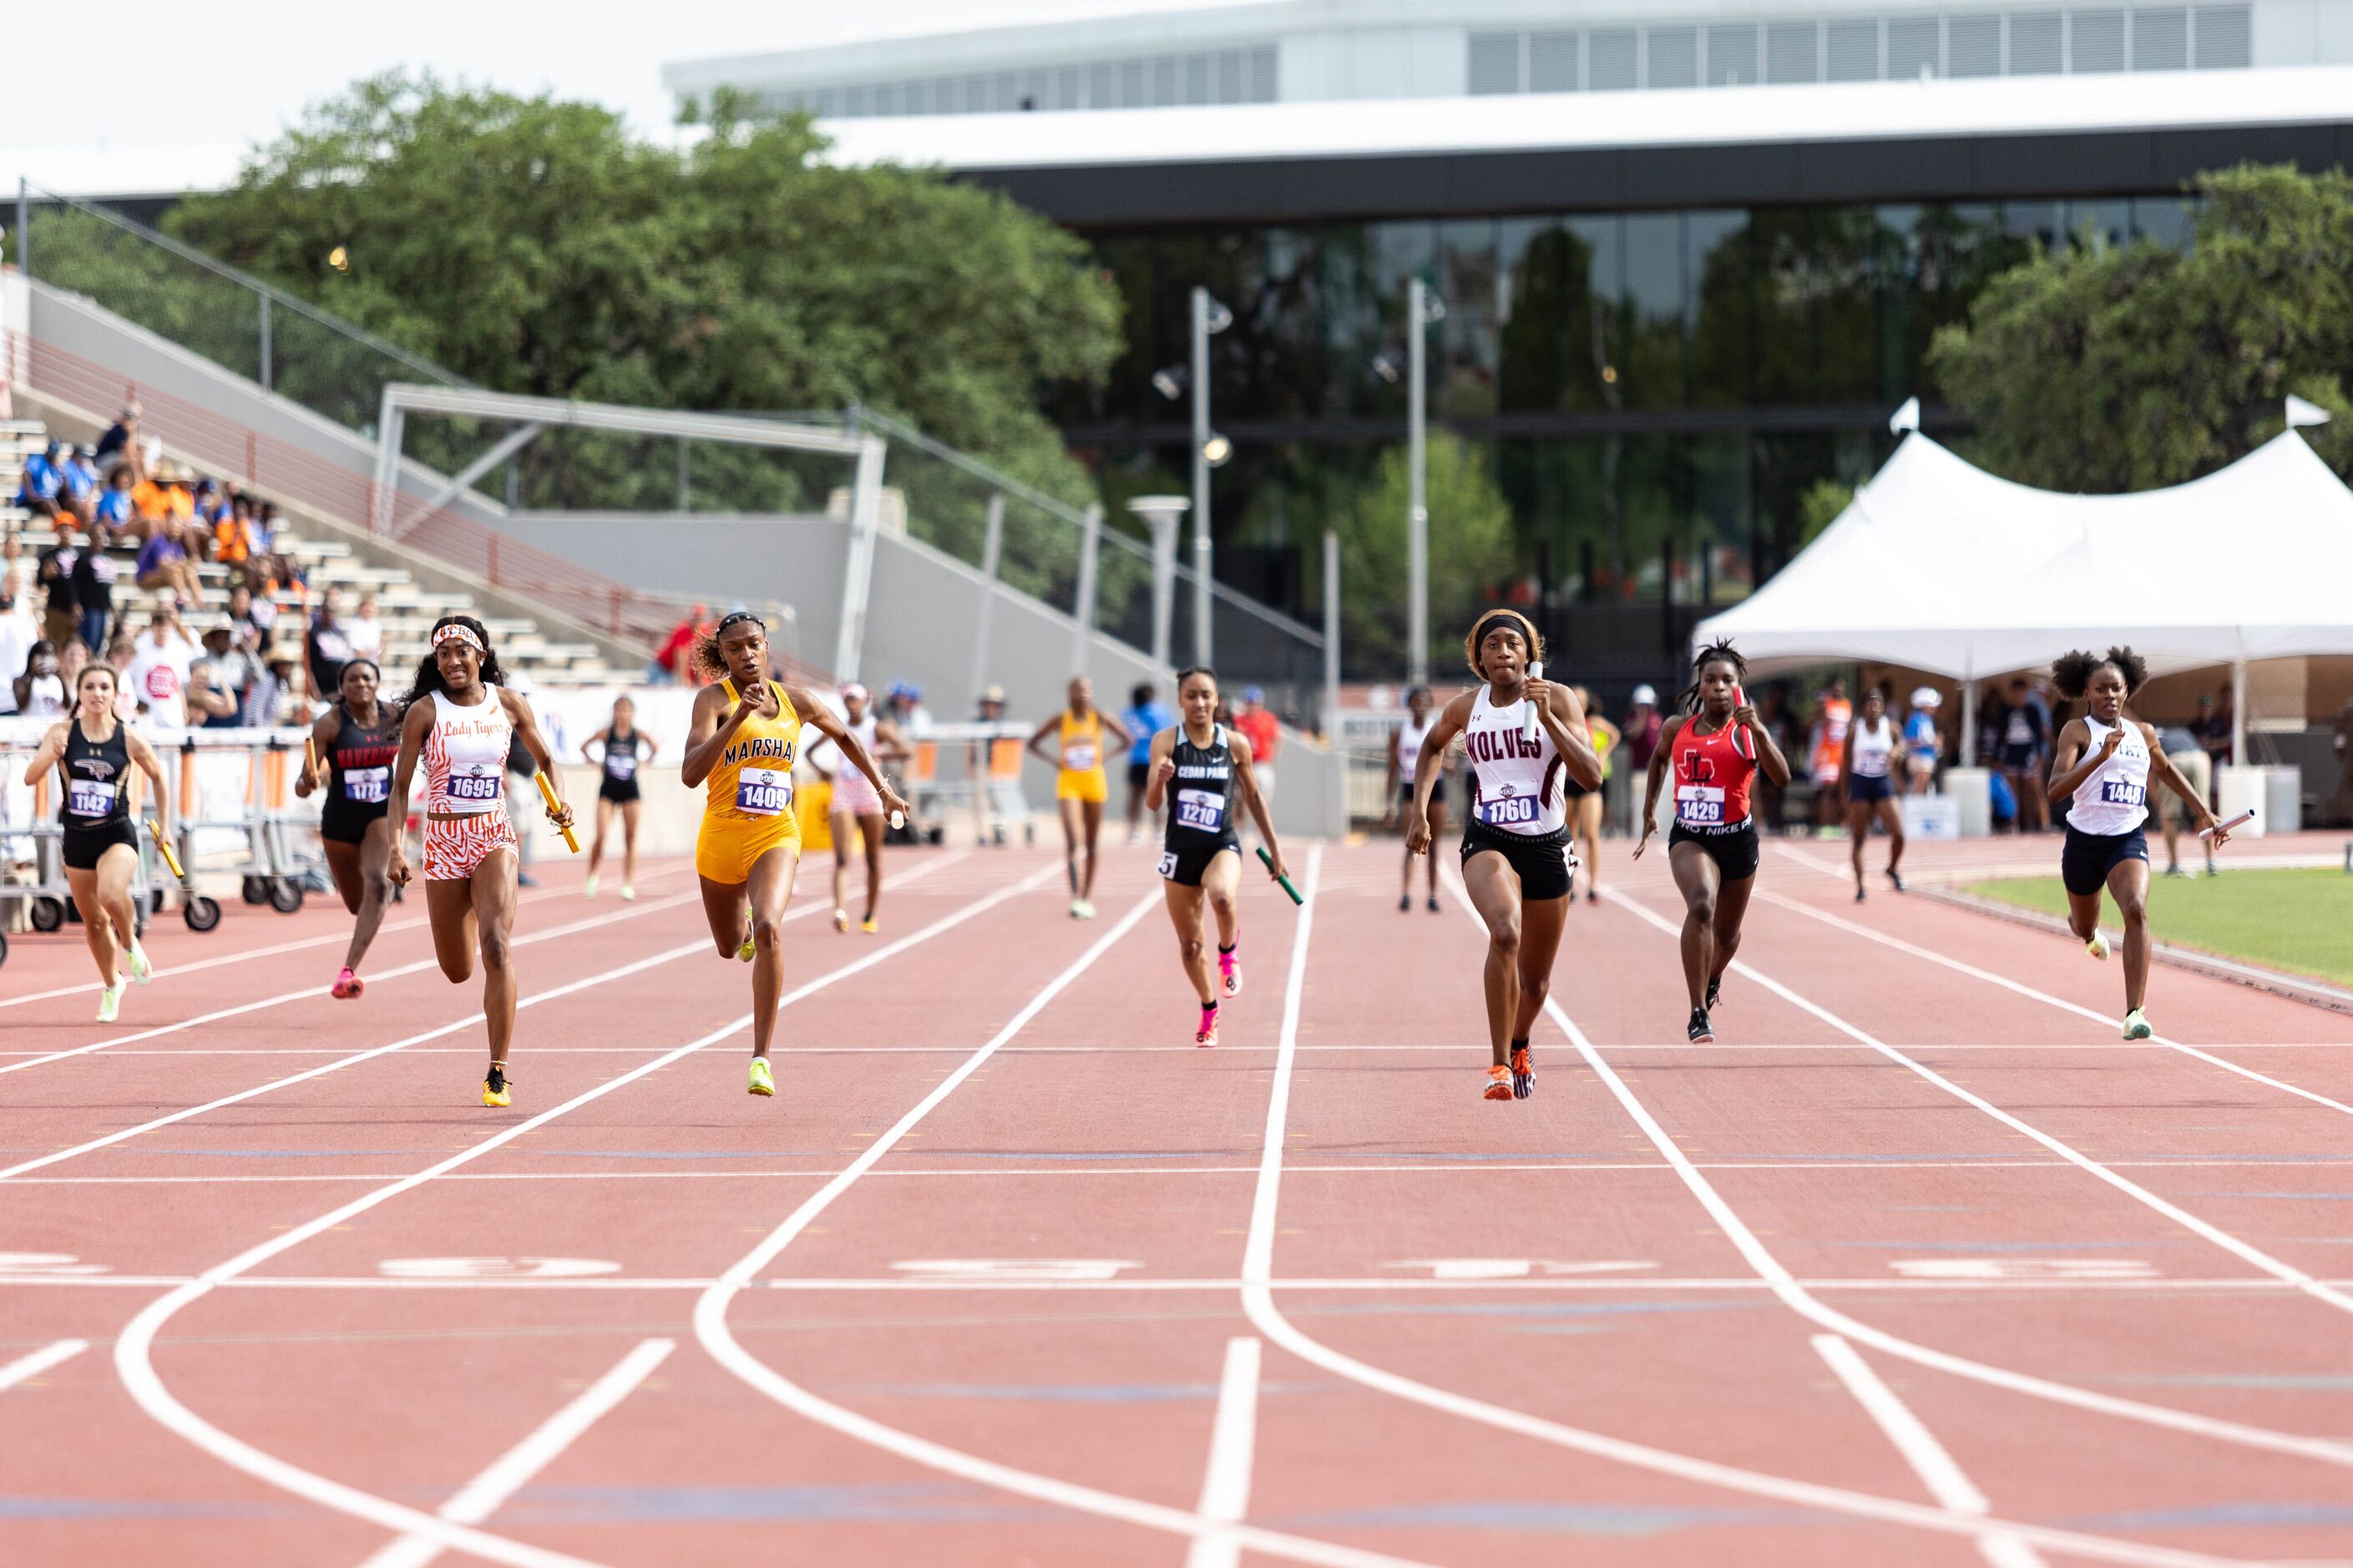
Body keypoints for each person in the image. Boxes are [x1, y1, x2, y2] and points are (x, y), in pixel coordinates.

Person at [681, 610, 907, 1097]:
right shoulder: (711, 702)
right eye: (736, 647)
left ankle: (761, 1057)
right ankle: (738, 932)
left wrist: (883, 789)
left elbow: (845, 736)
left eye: (755, 645)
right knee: (729, 945)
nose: (747, 654)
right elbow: (690, 772)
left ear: (767, 650)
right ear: (723, 655)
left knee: (768, 926)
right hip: (721, 836)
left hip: (774, 834)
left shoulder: (796, 701)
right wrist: (737, 717)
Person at [1403, 610, 1601, 1099]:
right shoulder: (1467, 707)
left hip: (1549, 845)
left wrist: (1550, 718)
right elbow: (1430, 749)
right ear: (1479, 657)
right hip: (1490, 838)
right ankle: (1497, 1067)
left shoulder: (1558, 698)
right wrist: (1419, 813)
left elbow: (1592, 776)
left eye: (1513, 643)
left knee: (1534, 985)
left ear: (1529, 653)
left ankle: (1520, 1041)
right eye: (1492, 645)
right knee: (1505, 931)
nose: (1502, 652)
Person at [383, 616, 574, 1108]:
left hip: (492, 833)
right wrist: (394, 848)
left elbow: (546, 760)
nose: (452, 661)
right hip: (443, 839)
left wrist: (560, 802)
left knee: (497, 945)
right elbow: (401, 785)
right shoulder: (425, 713)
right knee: (458, 969)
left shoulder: (507, 704)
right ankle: (466, 932)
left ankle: (498, 1069)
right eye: (443, 654)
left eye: (460, 652)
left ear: (481, 655)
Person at [2046, 646, 2231, 1040]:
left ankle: (2134, 1013)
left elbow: (2167, 771)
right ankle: (2090, 935)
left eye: (2116, 688)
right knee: (2083, 925)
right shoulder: (2077, 732)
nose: (2109, 695)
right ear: (2087, 693)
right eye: (2100, 689)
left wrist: (2206, 813)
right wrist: (2099, 758)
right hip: (2083, 841)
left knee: (2136, 910)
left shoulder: (2142, 733)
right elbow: (2054, 791)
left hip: (2126, 838)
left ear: (2127, 691)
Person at [1635, 640, 1790, 1044]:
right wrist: (1650, 809)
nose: (1719, 686)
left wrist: (1758, 730)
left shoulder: (1745, 732)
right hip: (1690, 836)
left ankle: (1713, 976)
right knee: (1701, 904)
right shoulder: (1676, 728)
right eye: (1711, 679)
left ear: (1738, 687)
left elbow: (1782, 777)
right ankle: (1697, 1012)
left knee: (1727, 937)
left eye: (1727, 680)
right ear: (1699, 687)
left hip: (1737, 838)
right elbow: (1659, 758)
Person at [1144, 665, 1288, 1047]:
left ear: (1217, 699)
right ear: (1180, 700)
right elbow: (1152, 803)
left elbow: (1254, 797)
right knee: (1190, 946)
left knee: (1222, 896)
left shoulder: (1235, 744)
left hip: (1221, 844)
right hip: (1179, 852)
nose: (1199, 702)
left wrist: (1275, 851)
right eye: (1191, 695)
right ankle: (1209, 1009)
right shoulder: (1165, 742)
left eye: (1206, 695)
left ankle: (1228, 953)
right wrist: (1161, 778)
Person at [19, 662, 170, 1020]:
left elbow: (159, 777)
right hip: (77, 836)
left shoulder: (128, 737)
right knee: (95, 922)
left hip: (117, 831)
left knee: (111, 894)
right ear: (80, 693)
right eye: (90, 687)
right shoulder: (62, 732)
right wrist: (51, 754)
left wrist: (165, 827)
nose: (98, 693)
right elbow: (30, 777)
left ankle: (131, 945)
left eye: (105, 687)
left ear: (115, 694)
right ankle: (112, 984)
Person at [296, 659, 402, 999]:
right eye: (352, 679)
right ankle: (357, 948)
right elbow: (302, 785)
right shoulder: (329, 724)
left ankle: (348, 971)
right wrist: (308, 780)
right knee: (359, 905)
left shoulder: (396, 717)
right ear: (343, 687)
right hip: (339, 822)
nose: (360, 683)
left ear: (377, 682)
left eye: (367, 677)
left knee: (379, 886)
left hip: (380, 814)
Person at [1029, 675, 1131, 919]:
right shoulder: (1061, 719)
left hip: (1094, 782)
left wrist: (1103, 757)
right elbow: (1033, 743)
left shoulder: (1101, 718)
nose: (1083, 694)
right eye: (1078, 690)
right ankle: (1075, 897)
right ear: (1070, 693)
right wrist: (1055, 761)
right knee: (1074, 840)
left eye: (1087, 690)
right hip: (1069, 783)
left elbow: (1128, 740)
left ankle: (1086, 896)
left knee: (1093, 844)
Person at [822, 682, 910, 933]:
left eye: (856, 698)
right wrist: (822, 771)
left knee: (872, 859)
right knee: (841, 857)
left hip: (872, 797)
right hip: (844, 796)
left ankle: (870, 914)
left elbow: (905, 750)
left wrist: (876, 756)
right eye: (848, 698)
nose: (852, 702)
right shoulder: (838, 726)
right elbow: (810, 750)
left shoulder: (875, 729)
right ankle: (839, 910)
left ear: (865, 701)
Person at [584, 695, 656, 902]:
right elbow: (584, 747)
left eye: (626, 709)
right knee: (601, 834)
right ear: (614, 712)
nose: (622, 713)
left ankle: (627, 883)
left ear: (632, 713)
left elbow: (655, 748)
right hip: (608, 789)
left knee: (631, 838)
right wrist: (596, 764)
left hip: (630, 790)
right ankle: (592, 875)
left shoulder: (637, 734)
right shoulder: (607, 734)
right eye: (619, 709)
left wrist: (643, 764)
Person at [1383, 684, 1446, 913]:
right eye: (1416, 700)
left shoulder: (1437, 729)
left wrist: (1447, 765)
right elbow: (1392, 768)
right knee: (1411, 842)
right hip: (1410, 788)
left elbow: (1448, 762)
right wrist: (1388, 803)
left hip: (1436, 790)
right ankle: (1407, 893)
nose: (1420, 704)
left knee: (1435, 844)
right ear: (1409, 704)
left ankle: (1432, 894)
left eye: (1425, 701)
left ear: (1430, 704)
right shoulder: (1400, 733)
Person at [1842, 685, 1907, 901]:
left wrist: (1898, 751)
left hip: (1882, 782)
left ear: (1883, 707)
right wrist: (1845, 797)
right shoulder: (1855, 730)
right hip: (1861, 782)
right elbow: (1845, 765)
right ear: (1863, 707)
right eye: (1870, 703)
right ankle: (1860, 886)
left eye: (1878, 703)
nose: (1874, 707)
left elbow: (1901, 744)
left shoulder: (1891, 728)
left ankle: (1892, 867)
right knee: (1859, 837)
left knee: (1899, 833)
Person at [1564, 685, 1619, 906]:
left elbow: (1615, 734)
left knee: (1591, 833)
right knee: (1569, 836)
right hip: (1568, 783)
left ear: (1587, 704)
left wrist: (1603, 754)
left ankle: (1594, 884)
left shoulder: (1594, 723)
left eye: (1582, 700)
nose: (1579, 703)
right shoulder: (1563, 722)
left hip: (1589, 785)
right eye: (1575, 699)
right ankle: (1572, 883)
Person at [2153, 716, 2216, 878]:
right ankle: (2211, 862)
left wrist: (2160, 805)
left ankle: (2174, 864)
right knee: (2203, 811)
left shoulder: (2150, 739)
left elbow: (2149, 776)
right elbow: (2205, 755)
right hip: (2200, 759)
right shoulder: (2183, 732)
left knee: (2169, 815)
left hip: (2173, 760)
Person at [124, 600, 200, 731]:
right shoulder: (140, 648)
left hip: (172, 715)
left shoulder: (180, 650)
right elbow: (130, 679)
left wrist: (185, 710)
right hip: (146, 716)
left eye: (165, 626)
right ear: (152, 627)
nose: (162, 630)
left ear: (171, 627)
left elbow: (179, 685)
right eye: (158, 626)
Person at [1121, 680, 1175, 843]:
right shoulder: (1138, 712)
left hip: (1153, 759)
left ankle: (1155, 830)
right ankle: (1136, 830)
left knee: (1153, 794)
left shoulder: (1152, 712)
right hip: (1139, 759)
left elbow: (1167, 734)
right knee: (1139, 795)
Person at [1996, 677, 2051, 834]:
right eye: (2016, 693)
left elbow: (2040, 736)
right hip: (2011, 752)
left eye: (2021, 693)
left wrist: (2040, 756)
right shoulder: (2006, 711)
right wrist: (1999, 757)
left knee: (2035, 790)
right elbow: (2001, 735)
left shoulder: (2032, 711)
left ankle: (2043, 824)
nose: (2018, 696)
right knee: (2013, 792)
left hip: (2029, 752)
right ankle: (2015, 824)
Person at [1806, 676, 1852, 832]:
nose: (1839, 689)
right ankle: (1825, 825)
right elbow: (1810, 722)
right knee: (1828, 789)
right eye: (1836, 686)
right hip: (1827, 752)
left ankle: (1837, 823)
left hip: (1842, 752)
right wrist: (1821, 717)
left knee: (1841, 789)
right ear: (1831, 688)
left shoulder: (1847, 704)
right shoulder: (1825, 704)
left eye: (1841, 686)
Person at [71, 523, 119, 658]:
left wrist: (111, 606)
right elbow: (74, 583)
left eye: (102, 535)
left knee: (99, 642)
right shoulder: (83, 559)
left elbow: (106, 588)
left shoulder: (107, 560)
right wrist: (75, 603)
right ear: (90, 537)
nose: (99, 539)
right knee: (88, 642)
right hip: (89, 607)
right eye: (96, 535)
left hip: (102, 608)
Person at [1233, 687, 1281, 812]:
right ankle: (1242, 830)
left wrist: (1272, 758)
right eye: (1249, 703)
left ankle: (1259, 828)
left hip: (1261, 763)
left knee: (1264, 798)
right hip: (1244, 763)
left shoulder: (1268, 718)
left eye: (1255, 703)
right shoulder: (1239, 720)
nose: (1252, 706)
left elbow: (1277, 739)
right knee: (1240, 798)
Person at [306, 590, 356, 701]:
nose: (330, 615)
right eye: (327, 611)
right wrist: (313, 688)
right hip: (321, 686)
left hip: (337, 687)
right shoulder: (314, 633)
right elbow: (308, 663)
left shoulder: (339, 634)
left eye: (333, 612)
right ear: (322, 612)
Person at [1903, 687, 1943, 795]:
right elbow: (1908, 740)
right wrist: (1932, 742)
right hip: (1920, 759)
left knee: (1924, 789)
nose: (1934, 708)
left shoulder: (1927, 719)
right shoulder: (1916, 719)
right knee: (1919, 790)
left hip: (1927, 759)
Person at [12, 640, 66, 719]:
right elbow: (22, 706)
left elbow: (67, 705)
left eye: (51, 654)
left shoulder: (56, 681)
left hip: (53, 726)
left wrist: (62, 680)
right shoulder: (21, 681)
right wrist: (33, 677)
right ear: (33, 657)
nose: (46, 659)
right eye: (43, 654)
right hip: (30, 727)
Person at [344, 590, 385, 665]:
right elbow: (357, 651)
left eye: (371, 605)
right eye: (366, 605)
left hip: (373, 665)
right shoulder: (355, 625)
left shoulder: (377, 626)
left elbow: (380, 650)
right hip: (357, 664)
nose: (369, 609)